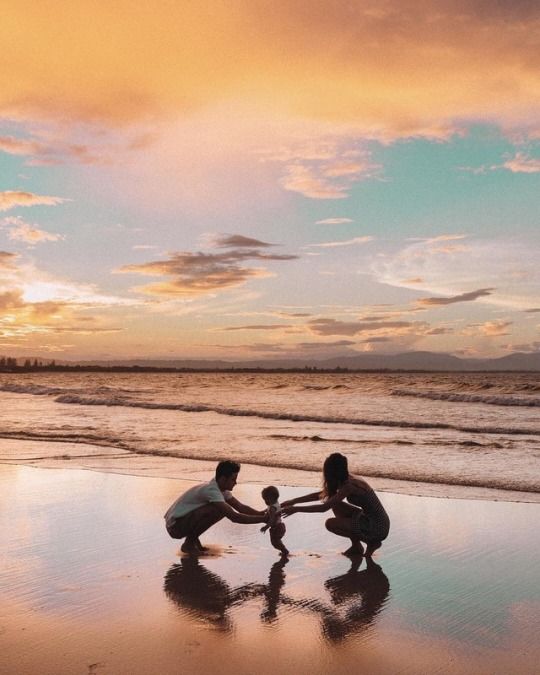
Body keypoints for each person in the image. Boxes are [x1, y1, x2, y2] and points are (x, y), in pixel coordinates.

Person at [282, 453, 389, 557]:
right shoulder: (346, 479)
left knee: (330, 524)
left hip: (378, 526)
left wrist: (296, 509)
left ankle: (371, 542)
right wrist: (294, 501)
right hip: (369, 517)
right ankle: (356, 546)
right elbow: (322, 495)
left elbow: (323, 508)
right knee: (334, 502)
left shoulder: (349, 485)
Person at [164, 460, 267, 553]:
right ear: (223, 479)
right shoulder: (212, 491)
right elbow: (234, 517)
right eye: (233, 479)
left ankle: (191, 541)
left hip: (181, 521)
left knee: (221, 508)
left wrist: (262, 513)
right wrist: (263, 519)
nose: (235, 482)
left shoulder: (221, 490)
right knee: (220, 509)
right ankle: (189, 543)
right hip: (175, 526)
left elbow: (240, 507)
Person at [260, 485, 289, 557]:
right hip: (280, 526)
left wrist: (266, 527)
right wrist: (265, 511)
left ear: (271, 498)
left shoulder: (272, 508)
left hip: (276, 528)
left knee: (275, 543)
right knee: (276, 541)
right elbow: (270, 510)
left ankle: (285, 551)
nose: (265, 502)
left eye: (266, 500)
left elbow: (272, 519)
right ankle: (284, 551)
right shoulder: (276, 503)